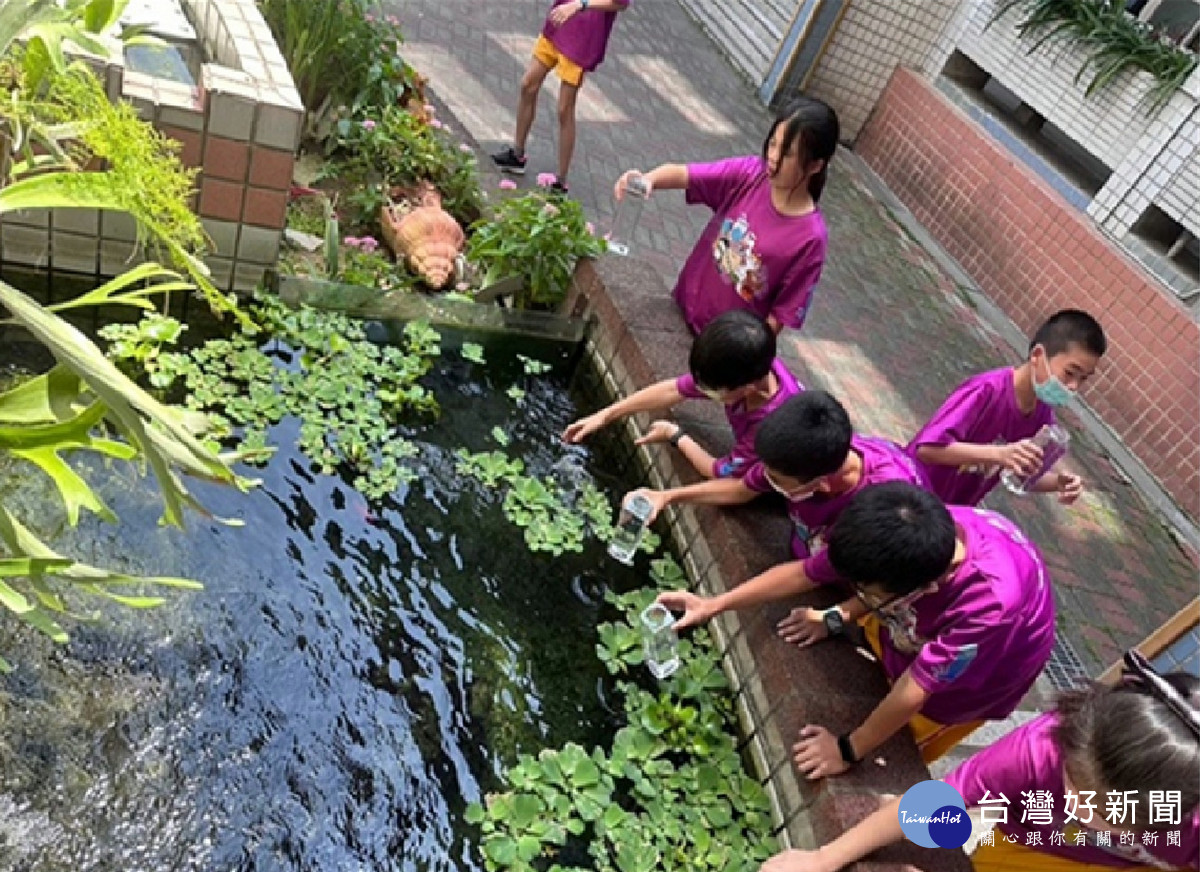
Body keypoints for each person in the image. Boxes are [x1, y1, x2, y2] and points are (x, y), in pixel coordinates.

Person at [658, 481, 1056, 768]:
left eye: (868, 592)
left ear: (924, 587)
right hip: (919, 622)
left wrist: (848, 749)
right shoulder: (903, 534)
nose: (860, 592)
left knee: (907, 739)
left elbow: (918, 689)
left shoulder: (989, 606)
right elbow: (806, 574)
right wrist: (714, 604)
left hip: (979, 679)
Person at [760, 652, 1200, 872]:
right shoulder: (1040, 748)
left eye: (1107, 812)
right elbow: (935, 801)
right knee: (938, 816)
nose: (1081, 812)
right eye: (1076, 786)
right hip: (1026, 836)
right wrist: (823, 857)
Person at [612, 96, 839, 335]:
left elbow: (778, 318)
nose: (773, 156)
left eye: (787, 153)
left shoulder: (810, 238)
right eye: (773, 143)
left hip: (722, 351)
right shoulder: (751, 174)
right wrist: (647, 180)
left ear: (815, 165)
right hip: (681, 309)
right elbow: (686, 174)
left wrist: (739, 356)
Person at [626, 391, 928, 559]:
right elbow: (741, 489)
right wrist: (666, 496)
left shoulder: (882, 501)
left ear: (821, 482)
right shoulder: (799, 453)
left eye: (777, 482)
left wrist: (835, 617)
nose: (765, 481)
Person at [562, 311, 801, 479]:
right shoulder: (750, 368)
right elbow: (674, 389)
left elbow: (718, 471)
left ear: (746, 389)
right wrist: (605, 415)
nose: (703, 391)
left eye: (711, 390)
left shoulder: (769, 426)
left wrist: (676, 435)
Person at [907, 309, 1107, 507]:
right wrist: (1000, 454)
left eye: (1083, 379)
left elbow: (1022, 473)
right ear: (1037, 355)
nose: (1074, 386)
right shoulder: (986, 390)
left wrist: (1058, 482)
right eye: (1070, 372)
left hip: (948, 514)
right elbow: (927, 449)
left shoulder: (1042, 418)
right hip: (908, 496)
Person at [491, 0, 631, 193]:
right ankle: (517, 155)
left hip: (582, 41)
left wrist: (580, 5)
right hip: (557, 25)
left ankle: (561, 182)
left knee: (564, 109)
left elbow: (620, 3)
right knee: (528, 85)